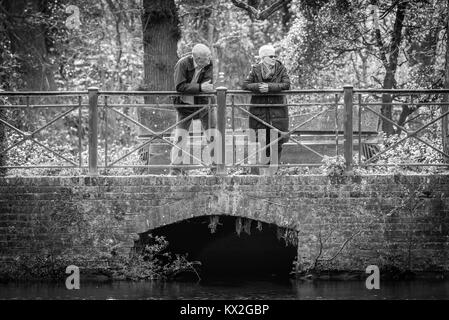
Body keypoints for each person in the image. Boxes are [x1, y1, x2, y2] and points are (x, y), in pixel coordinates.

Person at [242, 44, 291, 174]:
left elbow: (286, 85)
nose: (274, 58)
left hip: (277, 110)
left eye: (275, 56)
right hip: (260, 111)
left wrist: (269, 87)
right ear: (263, 57)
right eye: (271, 56)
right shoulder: (255, 69)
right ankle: (263, 170)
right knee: (262, 138)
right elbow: (245, 85)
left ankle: (274, 169)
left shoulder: (281, 69)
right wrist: (259, 86)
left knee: (277, 139)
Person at [170, 44, 216, 175]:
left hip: (204, 104)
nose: (209, 59)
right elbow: (180, 86)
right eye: (207, 57)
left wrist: (201, 88)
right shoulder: (182, 64)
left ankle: (216, 167)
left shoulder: (208, 63)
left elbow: (209, 85)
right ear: (198, 58)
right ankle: (175, 169)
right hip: (184, 105)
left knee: (212, 134)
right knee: (180, 137)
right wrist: (200, 88)